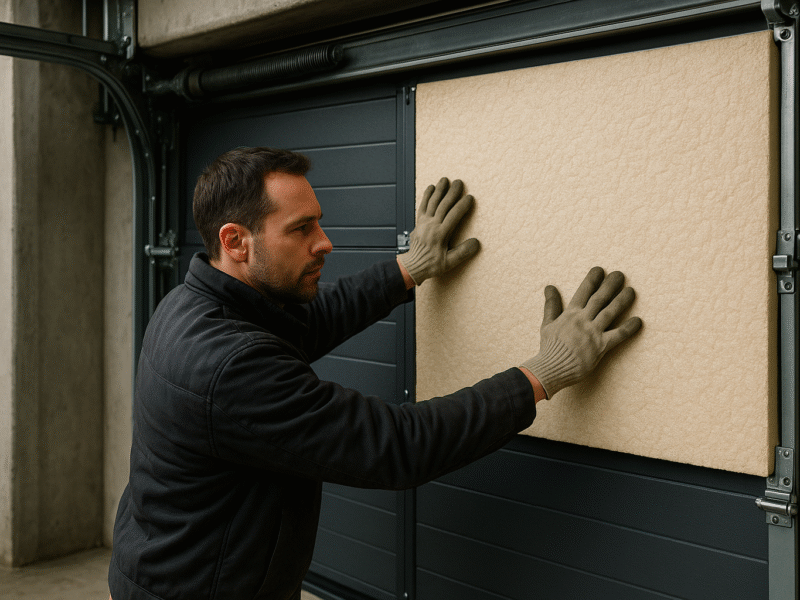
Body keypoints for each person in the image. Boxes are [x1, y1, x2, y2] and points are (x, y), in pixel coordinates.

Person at [108, 147, 642, 600]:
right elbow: (398, 445)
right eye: (301, 228)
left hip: (167, 570)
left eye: (317, 220)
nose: (324, 242)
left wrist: (410, 267)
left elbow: (311, 321)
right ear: (235, 241)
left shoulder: (198, 302)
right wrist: (543, 373)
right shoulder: (229, 364)